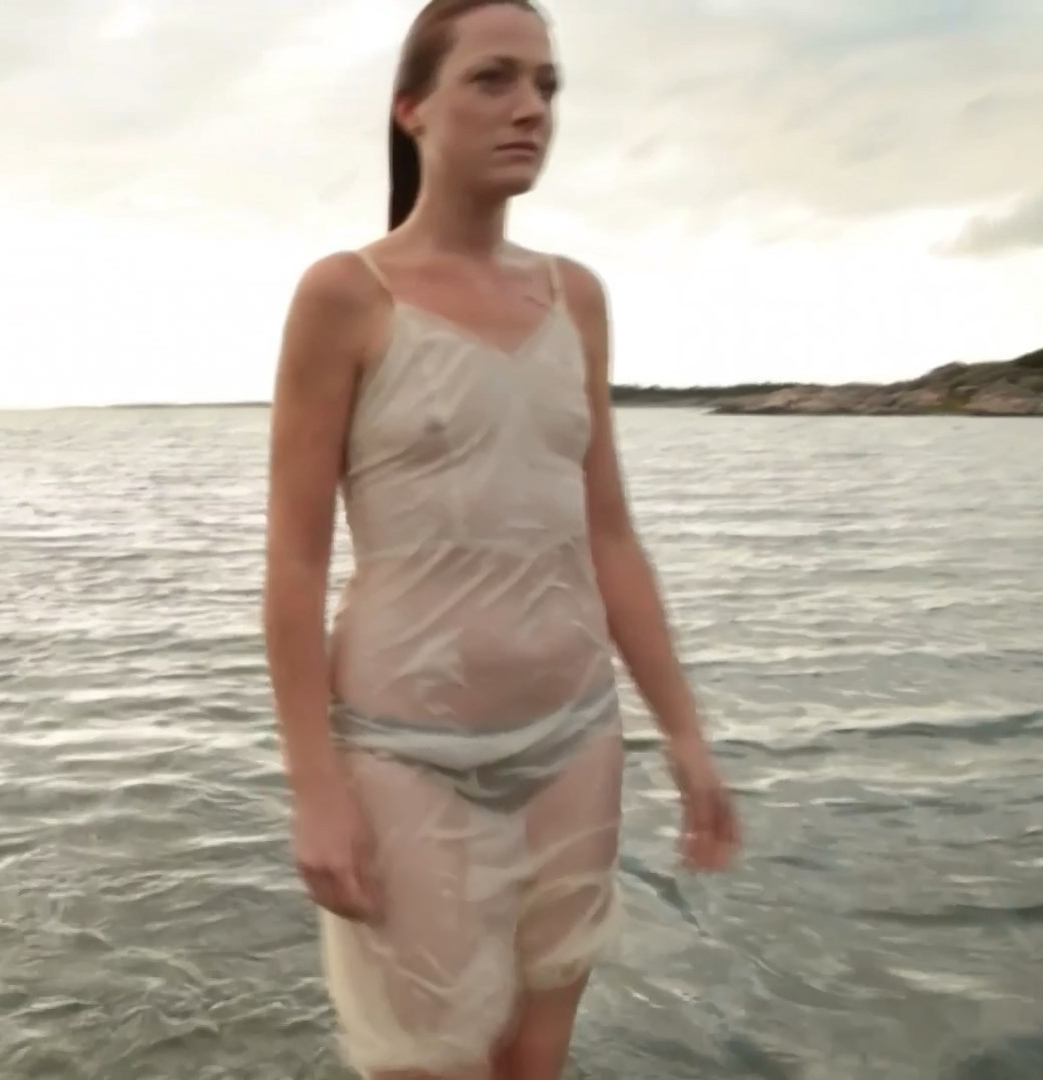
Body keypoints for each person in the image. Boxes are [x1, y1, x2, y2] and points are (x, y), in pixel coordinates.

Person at [260, 1, 742, 1077]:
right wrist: (315, 787)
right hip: (405, 752)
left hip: (575, 739)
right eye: (493, 79)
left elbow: (608, 533)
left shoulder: (577, 298)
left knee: (536, 1060)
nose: (531, 108)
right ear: (413, 109)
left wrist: (686, 735)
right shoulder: (346, 295)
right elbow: (293, 562)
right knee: (430, 1064)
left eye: (546, 85)